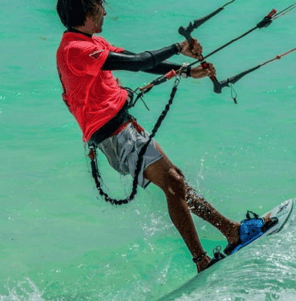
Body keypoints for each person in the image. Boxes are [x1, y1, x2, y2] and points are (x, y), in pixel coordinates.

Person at [55, 0, 272, 272]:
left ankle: (231, 232)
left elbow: (142, 62)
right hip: (115, 135)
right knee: (173, 182)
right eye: (100, 7)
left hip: (124, 128)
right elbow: (136, 64)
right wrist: (179, 47)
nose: (105, 12)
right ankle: (204, 258)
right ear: (87, 12)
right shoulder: (75, 50)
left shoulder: (92, 43)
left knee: (176, 182)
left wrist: (186, 70)